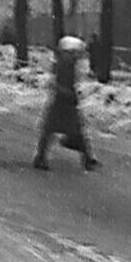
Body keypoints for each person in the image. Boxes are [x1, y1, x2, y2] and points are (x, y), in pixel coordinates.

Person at [34, 35, 99, 171]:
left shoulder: (65, 63)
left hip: (64, 100)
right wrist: (69, 93)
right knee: (69, 129)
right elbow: (60, 83)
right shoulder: (65, 65)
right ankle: (86, 159)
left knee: (53, 130)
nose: (77, 55)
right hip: (64, 100)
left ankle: (41, 157)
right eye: (74, 52)